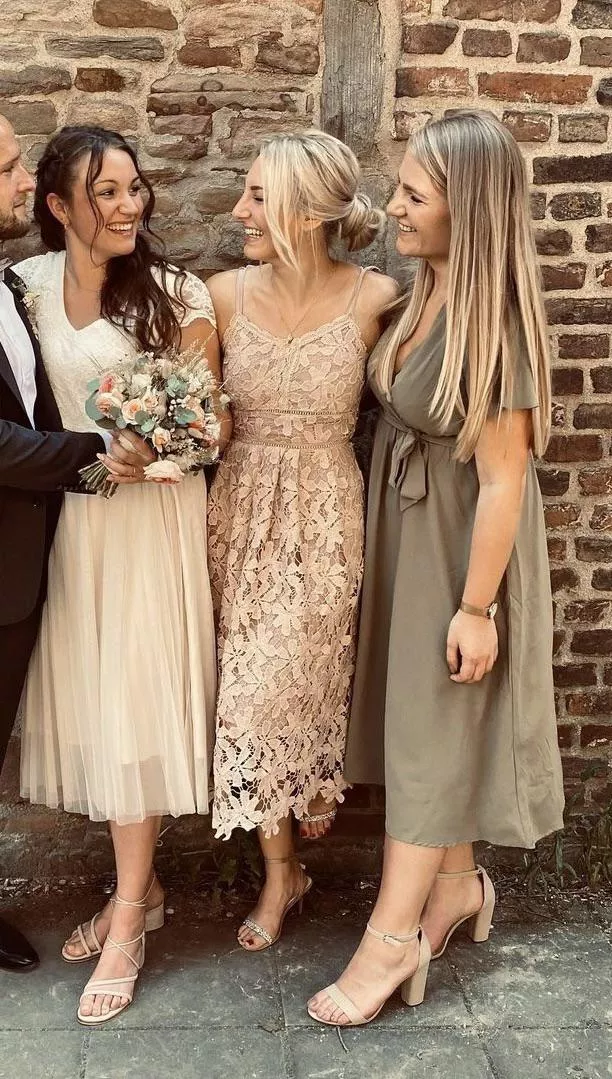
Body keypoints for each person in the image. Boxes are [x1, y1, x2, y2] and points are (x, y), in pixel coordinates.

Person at [308, 109, 564, 1027]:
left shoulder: (490, 322)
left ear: (471, 209)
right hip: (411, 537)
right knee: (430, 729)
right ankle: (456, 888)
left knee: (426, 739)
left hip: (461, 557)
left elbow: (504, 483)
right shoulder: (427, 290)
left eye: (414, 195)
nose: (393, 208)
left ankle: (391, 937)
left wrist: (476, 609)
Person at [17, 125, 229, 1024]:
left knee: (137, 706)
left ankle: (132, 915)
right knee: (102, 711)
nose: (129, 205)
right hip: (77, 528)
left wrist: (164, 447)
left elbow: (212, 426)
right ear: (60, 205)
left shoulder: (177, 292)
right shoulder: (21, 290)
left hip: (150, 525)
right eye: (106, 192)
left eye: (135, 188)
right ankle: (130, 889)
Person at [206, 129, 397, 951]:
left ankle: (303, 818)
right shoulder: (217, 295)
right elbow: (206, 421)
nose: (238, 209)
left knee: (290, 682)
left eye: (257, 196)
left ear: (309, 212)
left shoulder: (377, 298)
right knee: (238, 692)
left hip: (325, 513)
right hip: (238, 510)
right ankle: (282, 865)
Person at [0, 114, 148, 974]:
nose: (21, 183)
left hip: (27, 566)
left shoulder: (13, 284)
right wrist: (99, 450)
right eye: (12, 169)